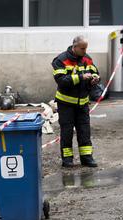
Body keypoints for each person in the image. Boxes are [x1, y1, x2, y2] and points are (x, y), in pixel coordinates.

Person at [52, 36, 100, 168]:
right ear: (75, 47)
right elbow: (61, 80)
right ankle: (67, 159)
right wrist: (81, 77)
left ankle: (86, 158)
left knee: (84, 130)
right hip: (66, 104)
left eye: (86, 48)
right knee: (66, 132)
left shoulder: (87, 59)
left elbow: (95, 72)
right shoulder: (61, 60)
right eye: (82, 48)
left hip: (83, 103)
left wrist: (95, 79)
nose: (85, 51)